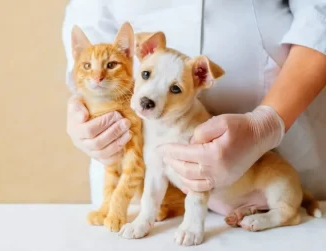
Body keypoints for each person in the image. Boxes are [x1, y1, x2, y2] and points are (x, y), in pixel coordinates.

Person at [63, 0, 326, 203]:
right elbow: (88, 28)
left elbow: (320, 12)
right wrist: (85, 109)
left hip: (282, 146)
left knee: (285, 212)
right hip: (140, 172)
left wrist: (267, 124)